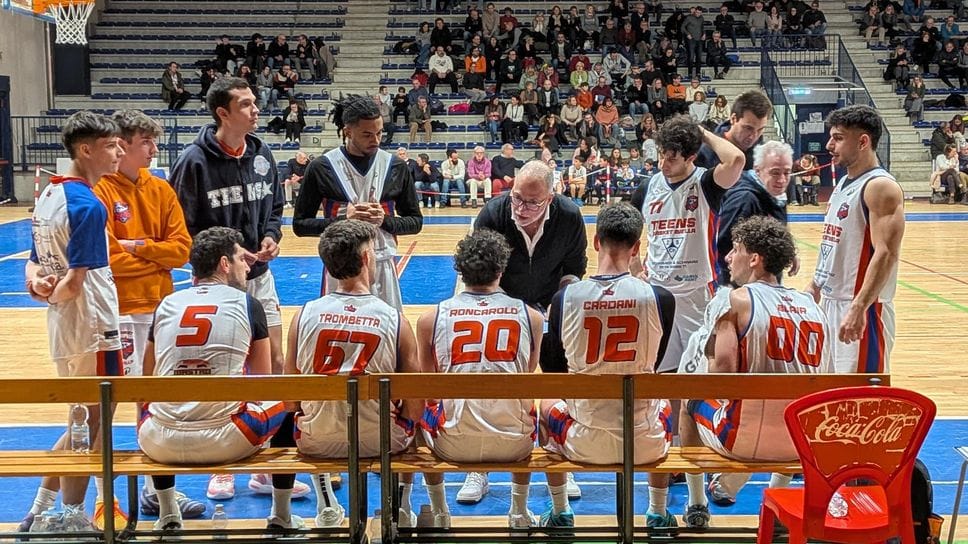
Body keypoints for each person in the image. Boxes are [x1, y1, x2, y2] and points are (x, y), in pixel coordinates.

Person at [168, 78, 299, 500]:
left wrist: (272, 235)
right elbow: (181, 225)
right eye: (245, 104)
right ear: (222, 113)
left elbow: (275, 206)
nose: (255, 110)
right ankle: (220, 466)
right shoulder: (193, 161)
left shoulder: (262, 152)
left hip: (259, 277)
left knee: (274, 362)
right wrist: (224, 254)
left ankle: (267, 465)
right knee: (221, 368)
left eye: (254, 102)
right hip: (217, 282)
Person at [271, 220, 426, 529]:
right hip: (383, 440)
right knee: (416, 412)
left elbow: (290, 400)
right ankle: (401, 507)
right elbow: (415, 406)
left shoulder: (302, 316)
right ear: (367, 258)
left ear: (327, 264)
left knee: (296, 415)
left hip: (316, 440)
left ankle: (317, 506)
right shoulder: (395, 319)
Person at [679, 216, 833, 524]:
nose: (728, 257)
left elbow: (721, 378)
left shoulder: (737, 299)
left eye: (735, 249)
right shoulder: (812, 306)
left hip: (743, 441)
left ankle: (696, 504)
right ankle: (776, 505)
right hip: (801, 444)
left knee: (688, 400)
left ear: (754, 259)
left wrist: (707, 352)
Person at [137, 227, 291, 536]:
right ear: (224, 264)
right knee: (287, 400)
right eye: (241, 259)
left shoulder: (166, 303)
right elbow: (261, 384)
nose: (247, 266)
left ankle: (167, 512)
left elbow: (147, 378)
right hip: (227, 439)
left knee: (148, 404)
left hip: (158, 441)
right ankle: (281, 514)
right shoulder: (248, 303)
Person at [91, 110, 203, 524]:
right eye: (146, 142)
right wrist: (155, 255)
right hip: (116, 313)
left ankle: (159, 493)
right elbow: (108, 259)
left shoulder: (160, 188)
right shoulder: (100, 190)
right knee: (106, 404)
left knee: (154, 402)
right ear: (121, 145)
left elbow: (182, 250)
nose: (154, 150)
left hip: (159, 310)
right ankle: (104, 499)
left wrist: (138, 247)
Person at [540, 203, 676, 529]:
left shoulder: (565, 297)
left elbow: (553, 369)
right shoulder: (661, 298)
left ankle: (560, 512)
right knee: (664, 400)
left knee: (545, 403)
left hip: (583, 439)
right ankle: (658, 512)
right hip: (645, 441)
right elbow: (655, 360)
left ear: (596, 241)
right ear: (637, 248)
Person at [21, 111, 124, 534]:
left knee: (80, 418)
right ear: (85, 150)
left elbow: (32, 264)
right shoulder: (87, 205)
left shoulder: (50, 194)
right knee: (91, 422)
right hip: (92, 324)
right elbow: (77, 282)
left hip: (65, 325)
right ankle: (70, 514)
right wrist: (51, 292)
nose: (118, 153)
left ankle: (40, 508)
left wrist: (37, 287)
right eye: (110, 146)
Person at [464, 161, 587, 503]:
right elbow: (481, 272)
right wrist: (507, 311)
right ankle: (479, 467)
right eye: (517, 198)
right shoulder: (493, 214)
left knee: (558, 384)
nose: (521, 208)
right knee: (492, 386)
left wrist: (558, 307)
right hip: (503, 306)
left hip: (551, 306)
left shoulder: (569, 216)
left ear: (551, 197)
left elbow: (574, 268)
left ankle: (559, 458)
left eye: (532, 202)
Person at [416, 229, 544, 529]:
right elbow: (526, 373)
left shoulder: (430, 318)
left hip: (452, 442)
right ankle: (519, 512)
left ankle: (440, 512)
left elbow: (427, 387)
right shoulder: (531, 317)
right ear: (501, 270)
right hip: (515, 442)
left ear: (460, 271)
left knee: (418, 410)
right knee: (526, 406)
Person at [630, 115, 744, 376]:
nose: (663, 164)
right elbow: (628, 232)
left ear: (691, 156)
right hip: (658, 291)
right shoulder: (648, 187)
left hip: (697, 292)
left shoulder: (706, 183)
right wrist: (635, 266)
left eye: (672, 158)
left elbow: (736, 159)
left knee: (699, 369)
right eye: (662, 155)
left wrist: (700, 132)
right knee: (661, 371)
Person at [292, 94, 422, 311]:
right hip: (339, 267)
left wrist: (384, 220)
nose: (376, 140)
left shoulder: (396, 167)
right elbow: (300, 225)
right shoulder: (321, 167)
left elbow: (416, 222)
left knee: (389, 330)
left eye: (379, 133)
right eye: (367, 134)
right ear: (348, 131)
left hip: (382, 263)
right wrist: (343, 220)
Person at [805, 105, 904, 374]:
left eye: (838, 138)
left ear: (863, 142)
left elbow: (886, 254)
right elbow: (833, 242)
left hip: (862, 307)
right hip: (832, 301)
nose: (829, 145)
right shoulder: (843, 183)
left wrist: (859, 306)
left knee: (860, 393)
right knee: (830, 389)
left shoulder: (880, 187)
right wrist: (815, 285)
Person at [716, 141, 797, 286]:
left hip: (765, 282)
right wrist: (733, 287)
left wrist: (788, 252)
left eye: (787, 172)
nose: (782, 180)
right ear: (757, 170)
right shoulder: (745, 200)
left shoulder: (775, 194)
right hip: (744, 286)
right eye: (775, 173)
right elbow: (723, 246)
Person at [695, 90, 773, 172]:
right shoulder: (706, 154)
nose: (753, 136)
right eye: (748, 128)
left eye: (760, 129)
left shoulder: (762, 151)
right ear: (733, 119)